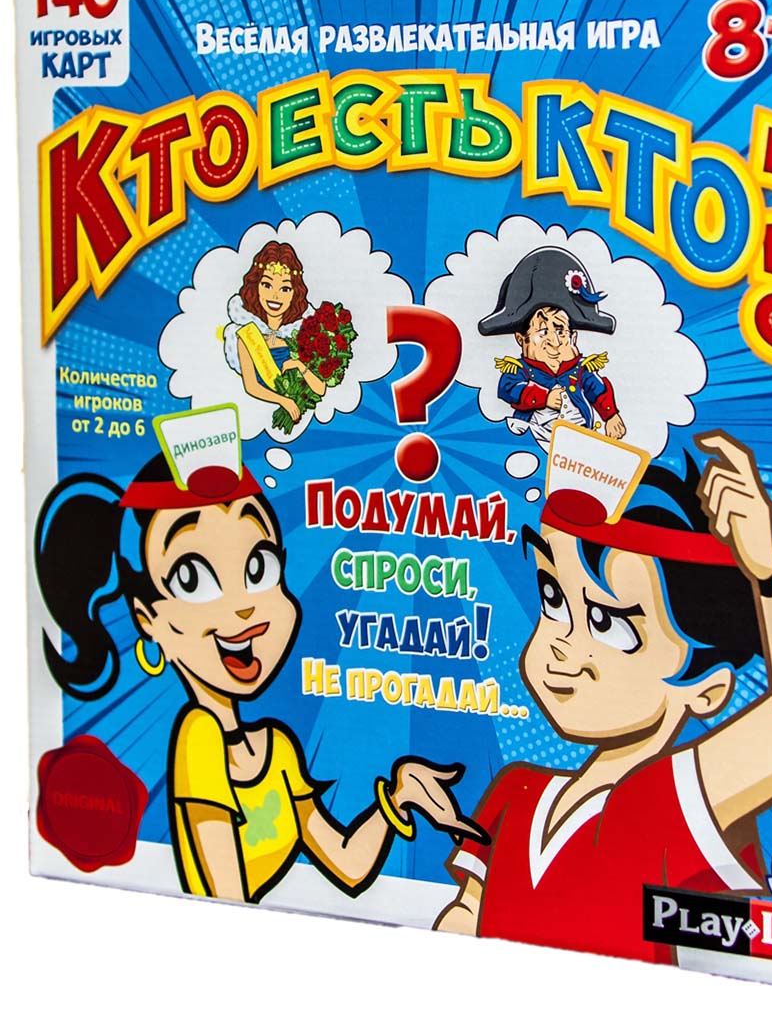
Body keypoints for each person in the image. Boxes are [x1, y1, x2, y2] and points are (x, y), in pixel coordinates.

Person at [435, 426, 772, 963]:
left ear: (705, 690)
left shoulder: (668, 801)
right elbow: (468, 910)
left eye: (610, 624)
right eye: (554, 599)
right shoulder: (516, 792)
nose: (565, 644)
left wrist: (766, 580)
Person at [35, 407, 486, 903]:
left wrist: (399, 795)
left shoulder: (277, 748)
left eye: (258, 567)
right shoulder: (200, 736)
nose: (244, 607)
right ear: (148, 618)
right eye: (192, 578)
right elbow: (223, 897)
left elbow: (347, 865)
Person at [479, 247, 626, 450]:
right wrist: (544, 398)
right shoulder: (520, 370)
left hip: (577, 437)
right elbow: (508, 389)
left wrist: (610, 415)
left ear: (573, 337)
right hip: (535, 438)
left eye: (560, 331)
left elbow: (598, 390)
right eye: (542, 332)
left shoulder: (580, 369)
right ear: (522, 339)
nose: (554, 341)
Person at [224, 240, 328, 427]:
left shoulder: (300, 334)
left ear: (295, 293)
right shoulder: (246, 334)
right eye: (267, 285)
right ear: (255, 287)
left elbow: (320, 389)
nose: (275, 295)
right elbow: (251, 386)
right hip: (252, 419)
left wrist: (298, 365)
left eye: (285, 288)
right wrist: (284, 401)